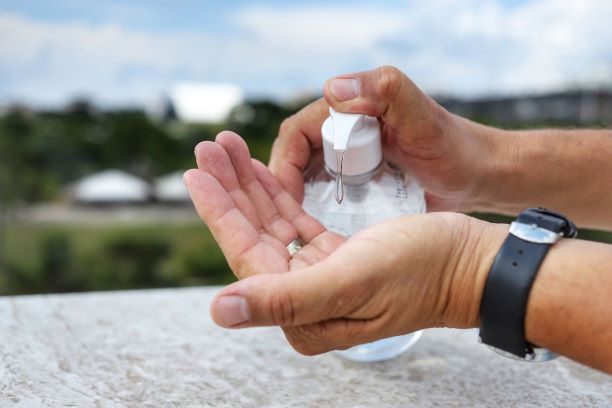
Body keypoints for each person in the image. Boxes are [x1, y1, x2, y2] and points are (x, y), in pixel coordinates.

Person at [183, 66, 612, 374]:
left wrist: (462, 277)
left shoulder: (398, 182)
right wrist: (483, 164)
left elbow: (456, 268)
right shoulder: (340, 180)